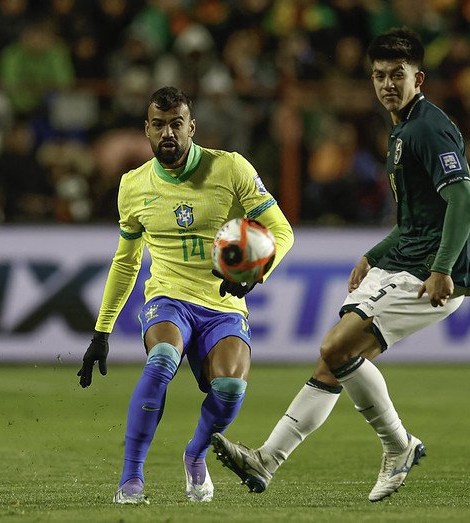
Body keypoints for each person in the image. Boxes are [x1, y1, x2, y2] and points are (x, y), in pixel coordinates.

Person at [211, 28, 470, 502]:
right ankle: (267, 460)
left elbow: (463, 201)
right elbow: (416, 219)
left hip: (430, 272)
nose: (387, 85)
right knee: (333, 360)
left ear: (417, 77)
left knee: (336, 347)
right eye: (378, 76)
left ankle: (398, 447)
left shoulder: (428, 127)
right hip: (405, 260)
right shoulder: (401, 129)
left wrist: (442, 268)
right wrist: (373, 255)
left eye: (397, 75)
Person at [77, 86, 294, 505]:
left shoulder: (231, 169)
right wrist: (102, 331)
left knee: (230, 387)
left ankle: (195, 455)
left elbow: (282, 231)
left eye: (176, 124)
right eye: (158, 125)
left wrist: (256, 274)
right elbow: (126, 263)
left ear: (192, 127)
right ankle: (131, 477)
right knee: (162, 359)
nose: (167, 133)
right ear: (146, 129)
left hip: (223, 303)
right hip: (168, 299)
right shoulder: (133, 185)